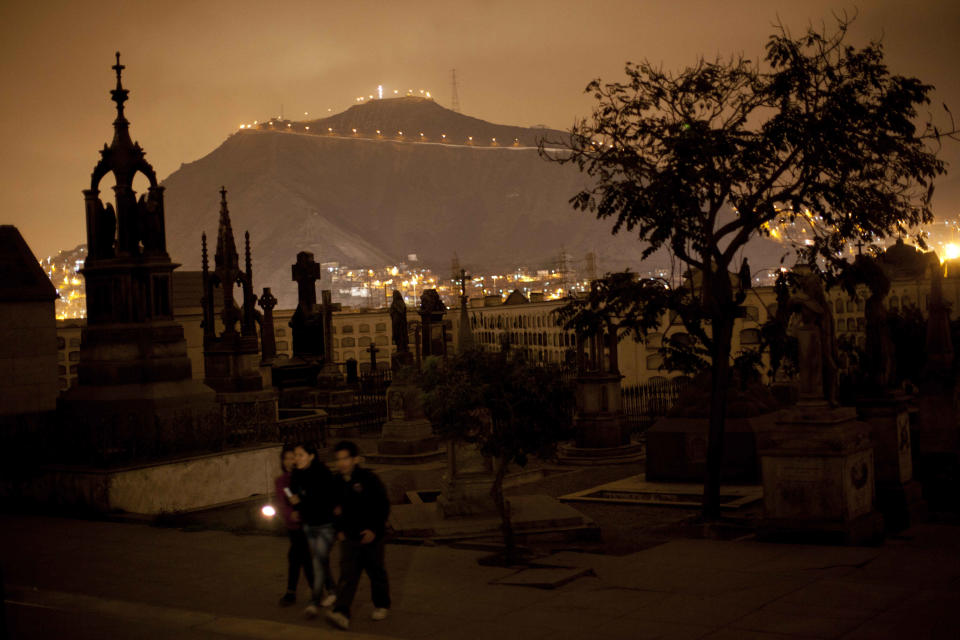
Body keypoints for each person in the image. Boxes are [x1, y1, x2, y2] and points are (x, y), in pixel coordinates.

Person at [326, 441, 391, 631]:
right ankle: (342, 612)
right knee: (348, 575)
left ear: (355, 459)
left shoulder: (368, 479)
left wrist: (374, 530)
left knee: (376, 571)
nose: (342, 463)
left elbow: (382, 506)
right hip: (349, 536)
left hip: (372, 536)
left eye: (345, 458)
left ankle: (381, 604)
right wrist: (338, 530)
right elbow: (332, 508)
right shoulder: (335, 482)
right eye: (338, 459)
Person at [288, 442, 338, 618]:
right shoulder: (296, 473)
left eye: (300, 455)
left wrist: (300, 501)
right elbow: (291, 491)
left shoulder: (322, 474)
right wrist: (294, 504)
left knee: (318, 561)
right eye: (295, 455)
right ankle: (332, 590)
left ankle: (314, 603)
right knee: (321, 560)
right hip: (309, 523)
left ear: (311, 456)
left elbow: (320, 499)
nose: (296, 458)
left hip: (325, 524)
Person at [275, 444, 315, 606]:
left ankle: (292, 592)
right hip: (293, 526)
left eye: (293, 458)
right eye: (286, 458)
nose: (289, 461)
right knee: (301, 557)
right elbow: (282, 503)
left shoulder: (306, 477)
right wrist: (291, 514)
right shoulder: (282, 481)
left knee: (298, 557)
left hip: (307, 525)